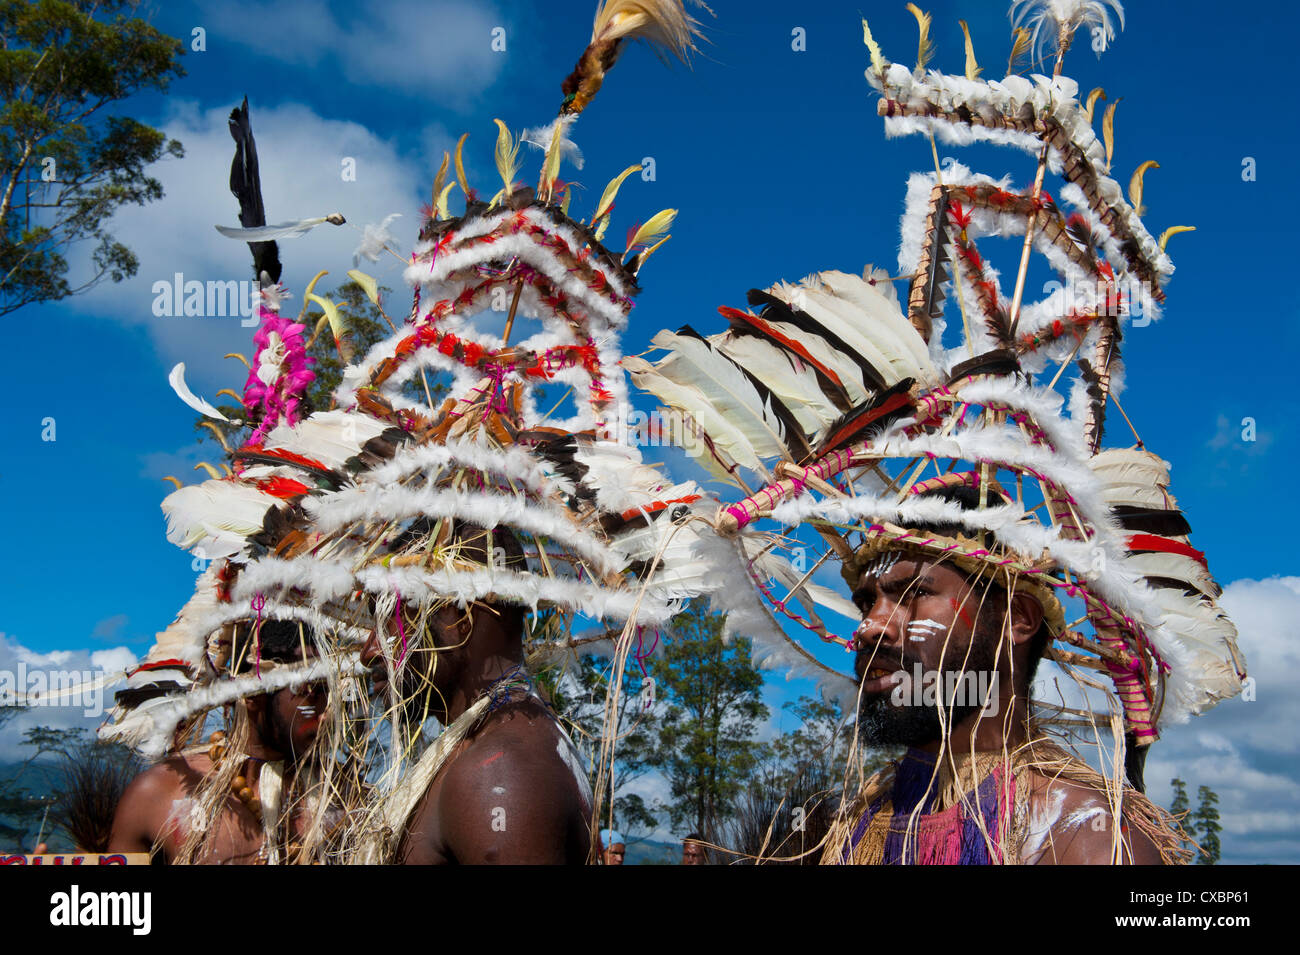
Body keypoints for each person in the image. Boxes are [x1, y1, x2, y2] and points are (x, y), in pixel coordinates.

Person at [823, 487, 1186, 865]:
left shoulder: (1082, 839)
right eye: (867, 603)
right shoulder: (851, 825)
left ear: (1017, 618)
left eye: (913, 593)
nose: (870, 626)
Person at [353, 523, 593, 865]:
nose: (369, 651)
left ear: (461, 617)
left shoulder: (499, 771)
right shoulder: (496, 748)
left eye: (389, 619)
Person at [107, 620, 335, 864]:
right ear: (251, 694)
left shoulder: (344, 799)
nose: (326, 714)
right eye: (312, 693)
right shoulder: (159, 793)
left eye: (331, 694)